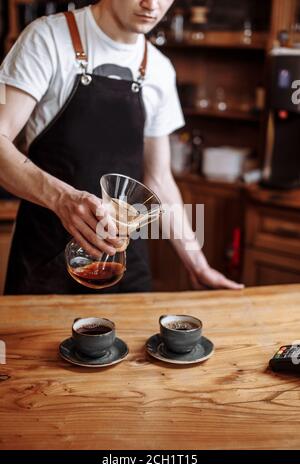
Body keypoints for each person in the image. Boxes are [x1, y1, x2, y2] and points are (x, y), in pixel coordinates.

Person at [0, 0, 244, 294]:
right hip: (45, 265)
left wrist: (198, 264)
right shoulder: (45, 39)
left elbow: (159, 180)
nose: (151, 4)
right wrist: (62, 198)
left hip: (125, 266)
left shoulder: (160, 69)